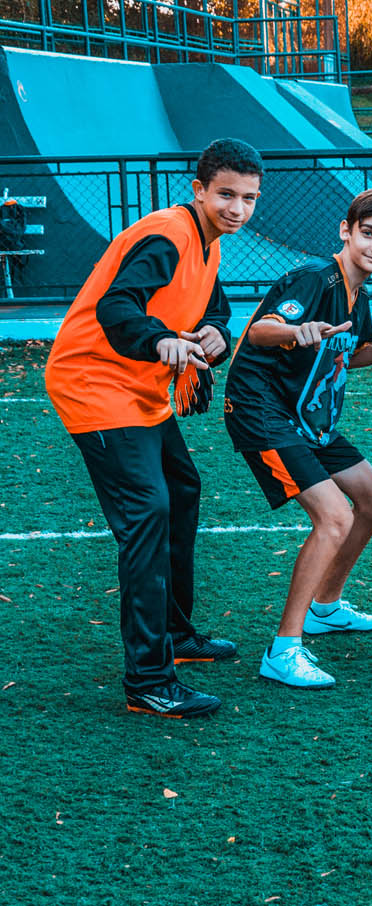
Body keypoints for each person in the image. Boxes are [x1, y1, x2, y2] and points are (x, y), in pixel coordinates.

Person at [44, 138, 262, 718]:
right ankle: (148, 680)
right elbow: (117, 307)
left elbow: (212, 305)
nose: (237, 208)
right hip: (94, 383)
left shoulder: (209, 241)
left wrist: (216, 332)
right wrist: (160, 339)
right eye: (226, 195)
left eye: (248, 198)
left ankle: (175, 632)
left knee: (182, 489)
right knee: (148, 512)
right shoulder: (168, 234)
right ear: (199, 190)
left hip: (138, 388)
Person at [223, 188, 372, 689]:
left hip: (309, 419)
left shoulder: (359, 294)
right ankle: (283, 649)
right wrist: (296, 331)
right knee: (334, 517)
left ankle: (326, 607)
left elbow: (348, 354)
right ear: (345, 231)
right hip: (263, 412)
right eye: (368, 233)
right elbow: (261, 331)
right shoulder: (315, 278)